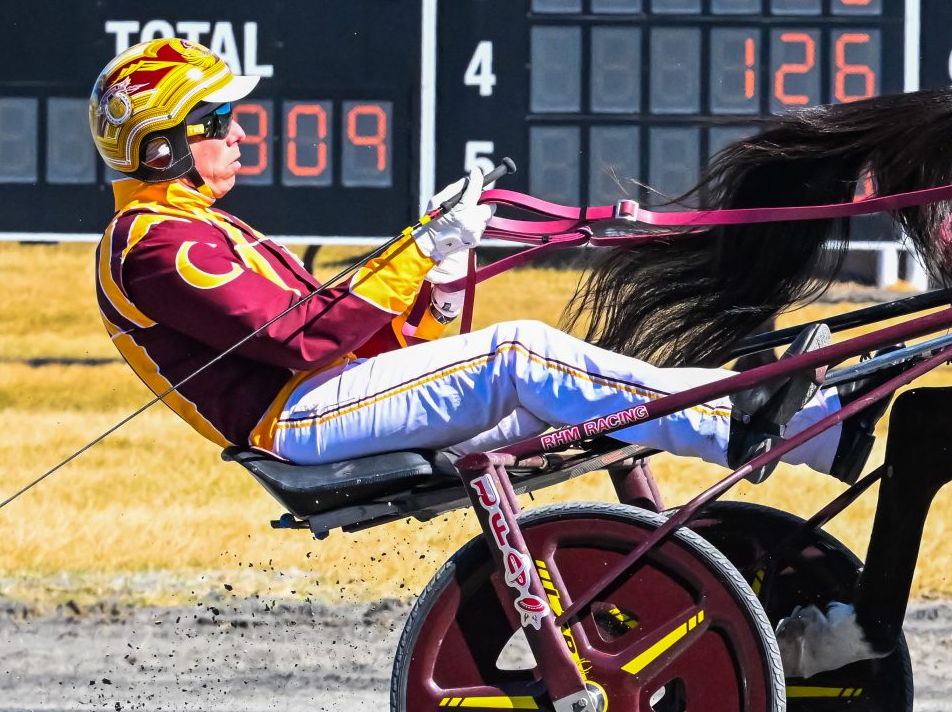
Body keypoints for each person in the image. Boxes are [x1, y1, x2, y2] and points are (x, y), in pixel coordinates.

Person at [88, 36, 849, 478]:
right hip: (294, 421)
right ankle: (745, 425)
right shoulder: (155, 243)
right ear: (162, 147)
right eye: (217, 121)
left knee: (555, 385)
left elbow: (393, 344)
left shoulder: (195, 228)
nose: (239, 133)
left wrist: (443, 268)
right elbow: (302, 339)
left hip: (328, 397)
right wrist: (417, 246)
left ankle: (821, 430)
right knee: (522, 352)